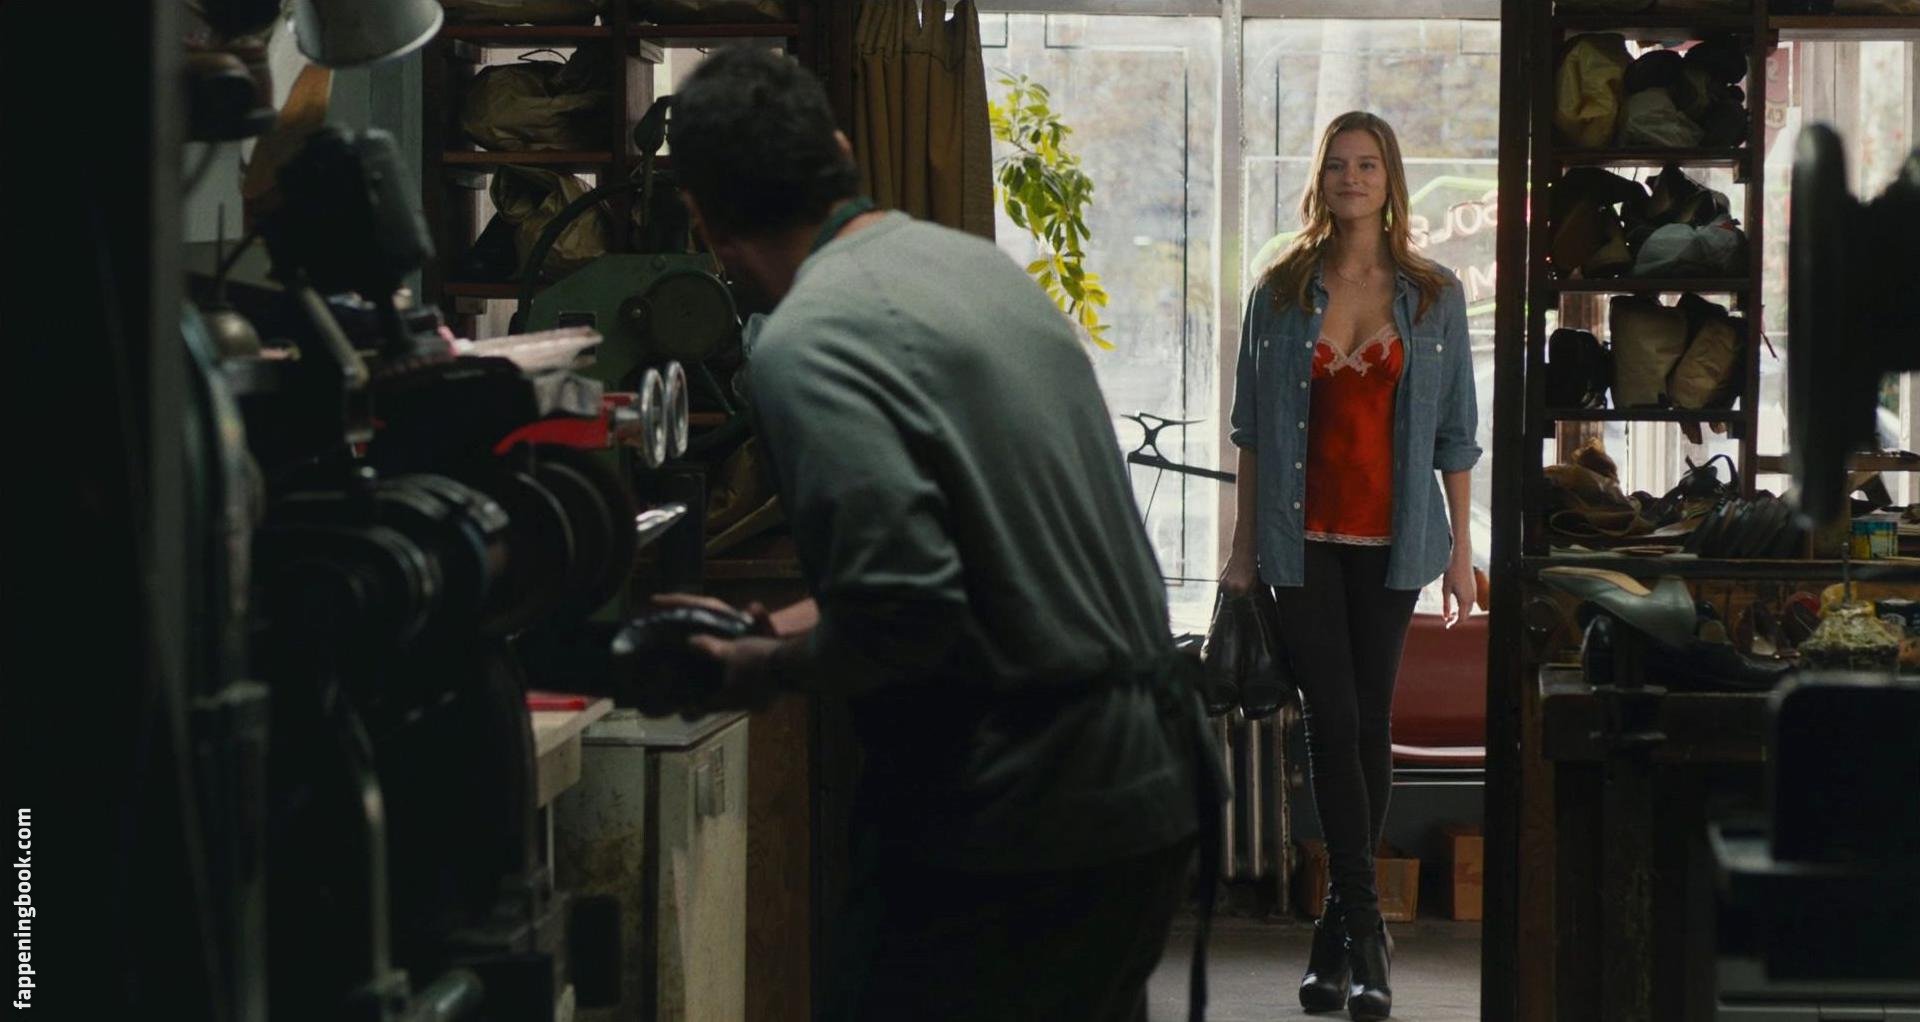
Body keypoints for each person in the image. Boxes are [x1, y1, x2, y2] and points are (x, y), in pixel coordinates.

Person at [658, 47, 1218, 1022]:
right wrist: (777, 623)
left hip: (1020, 822)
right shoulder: (981, 273)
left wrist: (759, 669)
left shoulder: (808, 340)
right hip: (1147, 791)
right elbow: (985, 557)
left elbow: (906, 614)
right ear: (840, 152)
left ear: (703, 220)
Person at [1221, 111, 1482, 1022]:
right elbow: (1252, 431)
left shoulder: (1436, 295)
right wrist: (1241, 550)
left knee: (1369, 720)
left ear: (1390, 178)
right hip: (1299, 543)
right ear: (1320, 179)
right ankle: (1369, 931)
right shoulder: (1280, 292)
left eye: (1367, 164)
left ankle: (1336, 934)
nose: (1352, 178)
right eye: (1337, 164)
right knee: (1330, 720)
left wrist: (1463, 554)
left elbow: (1457, 436)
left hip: (1397, 542)